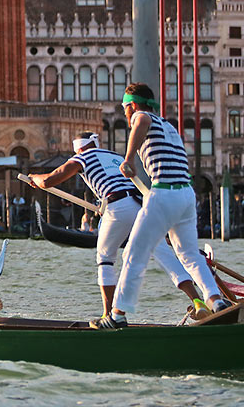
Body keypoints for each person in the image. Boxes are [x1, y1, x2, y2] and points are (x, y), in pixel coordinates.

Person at [29, 131, 212, 320]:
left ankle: (108, 315)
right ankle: (198, 301)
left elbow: (49, 180)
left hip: (118, 206)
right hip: (141, 205)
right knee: (163, 253)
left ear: (78, 148)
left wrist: (34, 178)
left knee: (105, 258)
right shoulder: (115, 157)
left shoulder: (81, 158)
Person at [90, 83, 230, 329]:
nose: (125, 113)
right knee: (189, 255)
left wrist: (129, 158)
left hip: (164, 193)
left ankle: (117, 315)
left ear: (132, 105)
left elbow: (140, 122)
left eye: (125, 108)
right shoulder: (169, 125)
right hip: (186, 195)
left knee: (133, 252)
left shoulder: (141, 116)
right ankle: (216, 300)